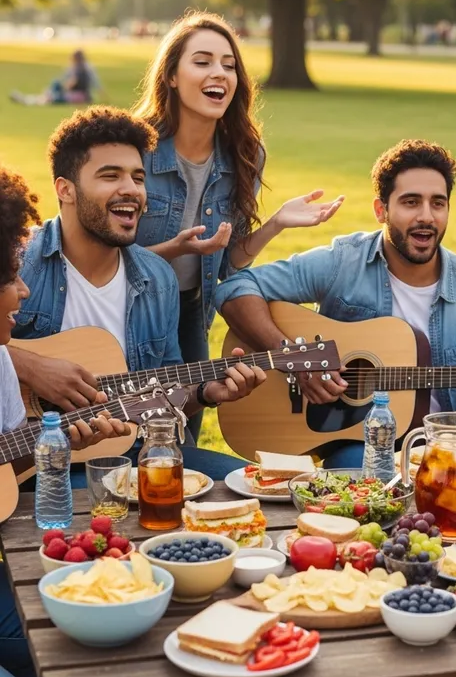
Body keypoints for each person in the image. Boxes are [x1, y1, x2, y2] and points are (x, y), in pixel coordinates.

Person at [216, 139, 456, 467]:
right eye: (410, 202)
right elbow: (234, 288)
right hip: (357, 444)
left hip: (443, 447)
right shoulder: (344, 261)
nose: (426, 216)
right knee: (362, 474)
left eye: (438, 203)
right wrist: (293, 357)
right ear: (381, 210)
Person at [7, 106, 267, 480]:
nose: (131, 189)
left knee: (251, 485)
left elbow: (166, 390)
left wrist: (207, 392)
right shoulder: (17, 260)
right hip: (34, 466)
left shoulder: (158, 277)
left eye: (138, 177)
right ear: (65, 189)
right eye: (110, 176)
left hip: (132, 453)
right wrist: (31, 366)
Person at [132, 11, 343, 442]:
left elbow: (230, 262)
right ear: (171, 75)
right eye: (203, 61)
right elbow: (99, 259)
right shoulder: (136, 148)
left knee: (177, 436)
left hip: (190, 310)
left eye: (229, 65)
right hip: (128, 307)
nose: (219, 74)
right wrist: (175, 249)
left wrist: (278, 223)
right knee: (123, 424)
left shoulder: (243, 155)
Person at [0, 166, 133, 677]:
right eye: (8, 275)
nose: (23, 290)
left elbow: (7, 467)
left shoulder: (2, 361)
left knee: (104, 634)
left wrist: (55, 444)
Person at [10, 49, 104, 106]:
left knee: (51, 96)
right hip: (82, 96)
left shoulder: (79, 70)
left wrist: (60, 89)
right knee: (53, 90)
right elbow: (96, 83)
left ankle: (27, 100)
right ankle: (30, 99)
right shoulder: (85, 68)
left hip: (77, 96)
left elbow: (71, 84)